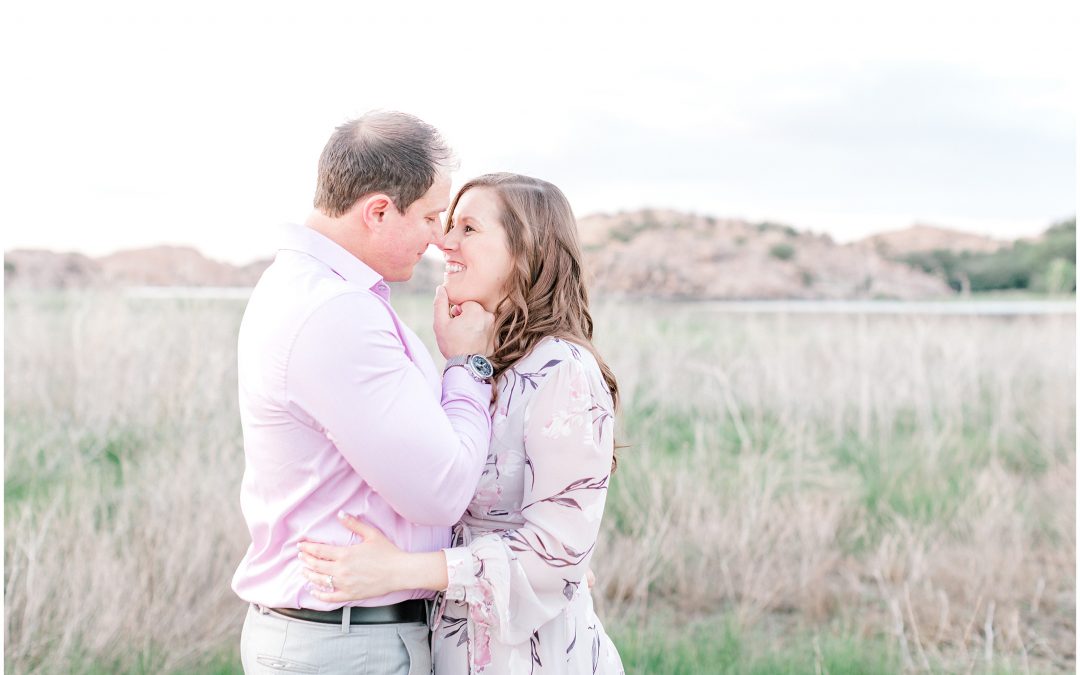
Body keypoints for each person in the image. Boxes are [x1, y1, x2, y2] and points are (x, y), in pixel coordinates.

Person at [298, 173, 625, 674]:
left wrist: (399, 571)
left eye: (468, 229)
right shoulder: (479, 365)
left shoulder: (564, 371)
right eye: (448, 223)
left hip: (533, 658)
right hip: (456, 648)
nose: (443, 241)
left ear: (525, 251)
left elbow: (556, 556)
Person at [232, 111, 498, 675]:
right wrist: (469, 365)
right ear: (378, 210)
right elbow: (442, 490)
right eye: (429, 216)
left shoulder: (309, 290)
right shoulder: (336, 312)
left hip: (339, 638)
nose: (438, 237)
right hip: (347, 646)